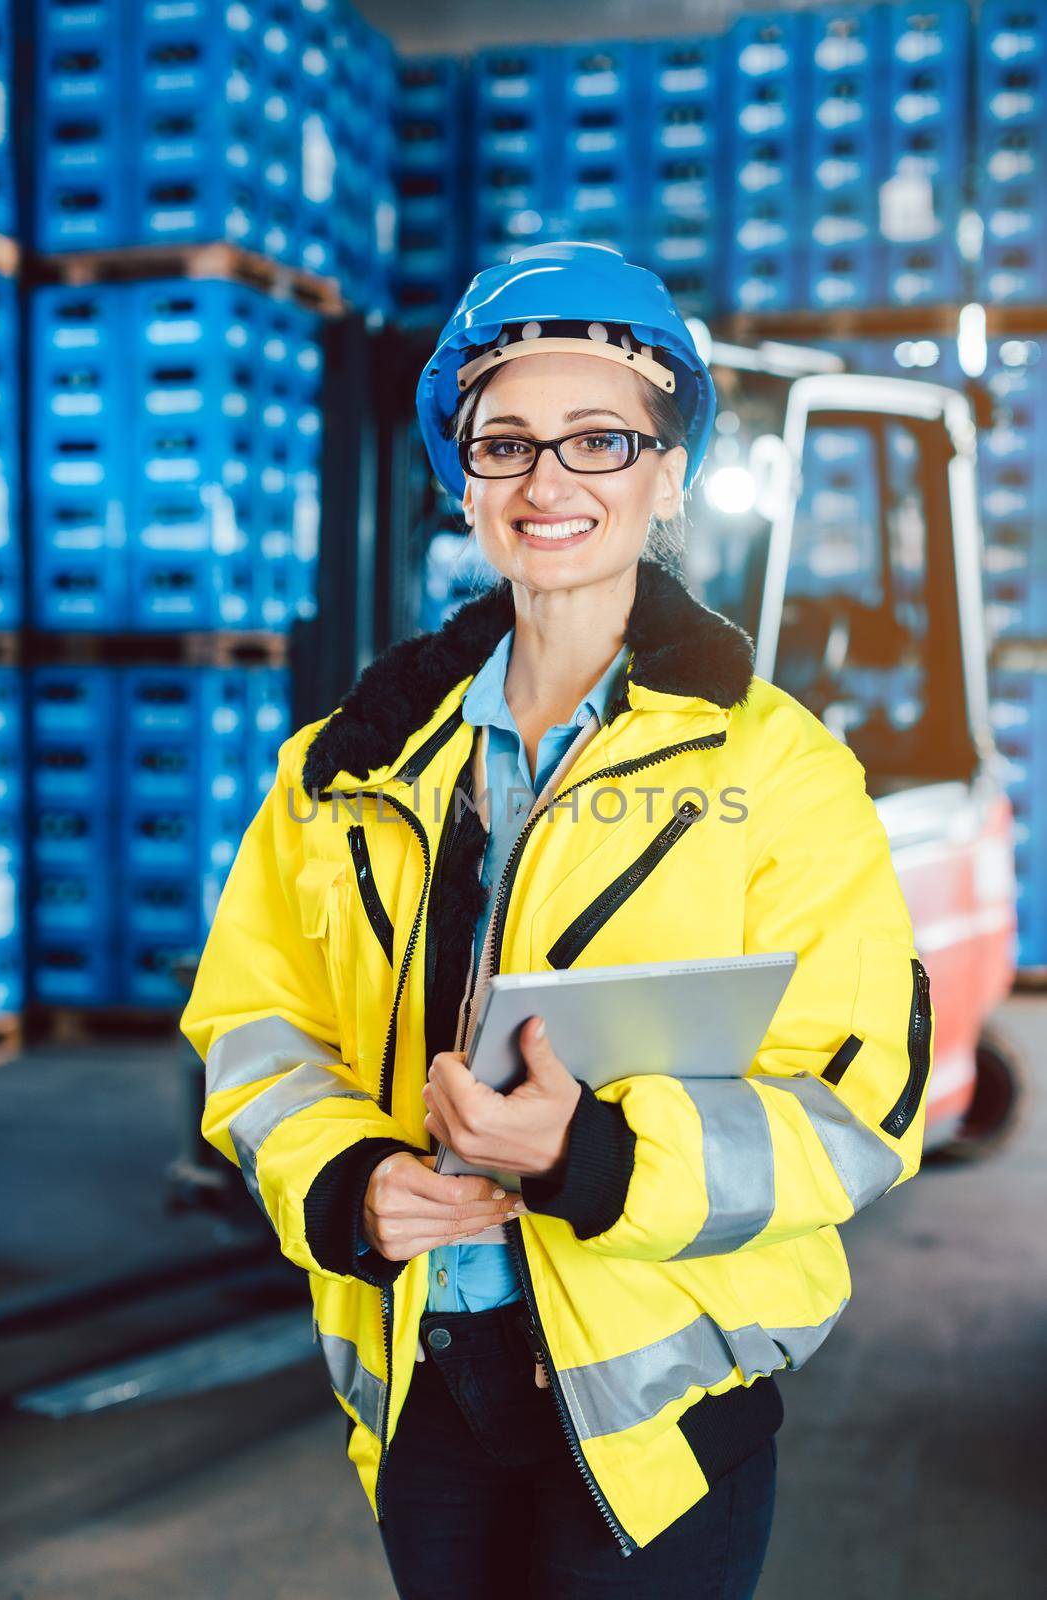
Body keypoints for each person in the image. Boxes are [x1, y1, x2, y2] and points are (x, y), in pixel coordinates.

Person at [180, 240, 933, 1599]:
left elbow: (857, 1099)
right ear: (459, 475)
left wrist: (597, 1156)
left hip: (663, 1426)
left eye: (600, 439)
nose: (547, 482)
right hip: (427, 1398)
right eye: (506, 441)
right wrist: (345, 1180)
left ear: (670, 472)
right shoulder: (339, 774)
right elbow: (252, 1027)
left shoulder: (781, 774)